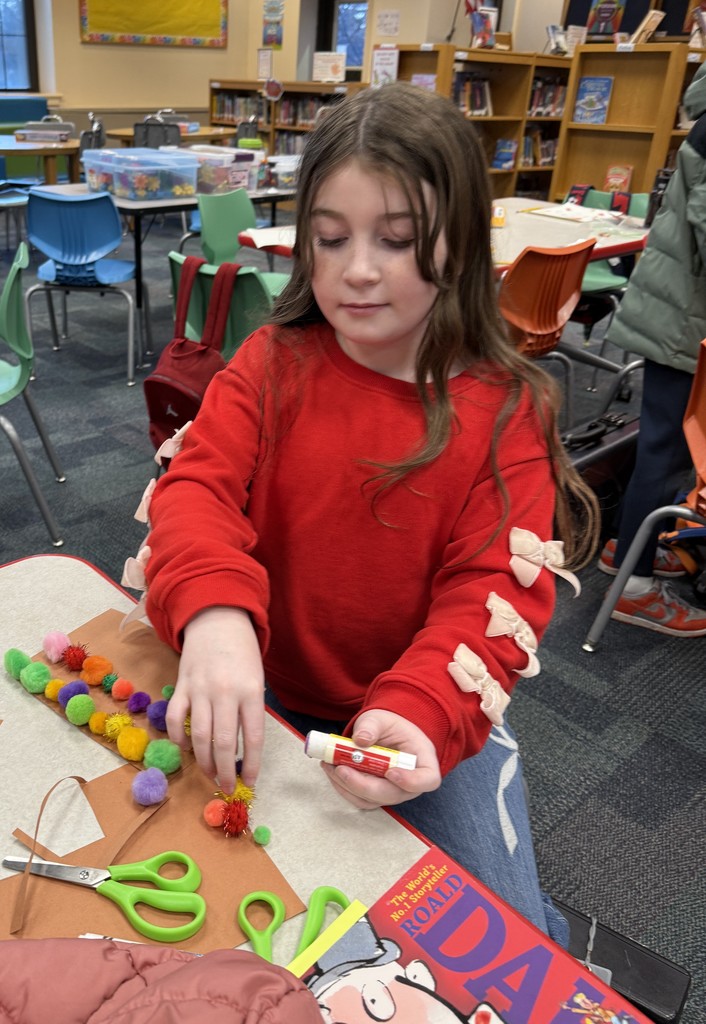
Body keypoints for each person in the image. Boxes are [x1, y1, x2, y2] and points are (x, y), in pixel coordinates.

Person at [144, 82, 599, 941]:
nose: (356, 269)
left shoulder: (506, 411)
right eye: (330, 239)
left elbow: (492, 591)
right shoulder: (271, 361)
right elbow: (196, 489)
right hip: (261, 689)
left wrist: (428, 708)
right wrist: (211, 613)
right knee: (228, 917)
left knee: (495, 942)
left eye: (396, 241)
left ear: (460, 248)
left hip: (408, 714)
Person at [596, 61, 706, 636]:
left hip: (679, 312)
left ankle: (628, 549)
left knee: (666, 445)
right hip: (685, 319)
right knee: (668, 447)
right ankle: (633, 587)